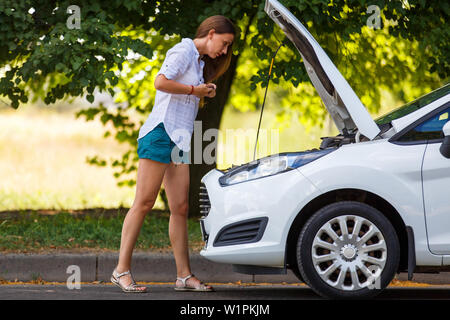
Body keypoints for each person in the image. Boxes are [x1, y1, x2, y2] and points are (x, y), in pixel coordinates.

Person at [111, 15, 235, 293]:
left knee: (180, 208)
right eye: (224, 44)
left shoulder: (200, 62)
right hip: (159, 134)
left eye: (228, 48)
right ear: (211, 33)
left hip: (180, 139)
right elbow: (160, 82)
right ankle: (121, 271)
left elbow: (184, 95)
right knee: (143, 203)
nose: (224, 51)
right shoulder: (182, 51)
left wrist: (203, 91)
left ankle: (183, 276)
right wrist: (195, 89)